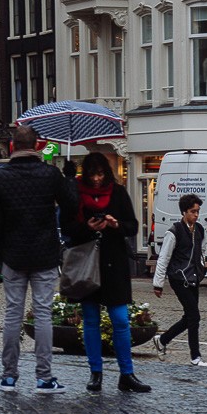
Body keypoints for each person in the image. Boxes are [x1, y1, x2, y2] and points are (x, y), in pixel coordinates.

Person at [0, 124, 79, 394]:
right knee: (43, 315)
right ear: (37, 146)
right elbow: (71, 207)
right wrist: (69, 178)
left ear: (13, 146)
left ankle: (9, 376)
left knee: (13, 315)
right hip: (44, 254)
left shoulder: (0, 178)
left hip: (13, 255)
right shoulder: (50, 174)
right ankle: (44, 377)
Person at [65, 153, 150, 393]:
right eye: (92, 174)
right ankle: (96, 373)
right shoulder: (75, 193)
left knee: (121, 320)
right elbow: (68, 229)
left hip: (114, 264)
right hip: (87, 264)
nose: (96, 180)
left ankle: (127, 373)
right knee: (90, 321)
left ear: (107, 174)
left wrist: (115, 225)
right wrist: (86, 227)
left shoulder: (118, 192)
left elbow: (132, 226)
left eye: (100, 174)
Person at [151, 193, 207, 366]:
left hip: (194, 278)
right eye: (193, 211)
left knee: (190, 317)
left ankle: (162, 340)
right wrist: (158, 283)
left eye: (198, 211)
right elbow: (164, 258)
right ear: (184, 212)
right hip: (178, 278)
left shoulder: (199, 230)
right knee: (194, 316)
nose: (196, 215)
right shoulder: (174, 232)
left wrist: (201, 267)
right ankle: (195, 357)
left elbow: (202, 250)